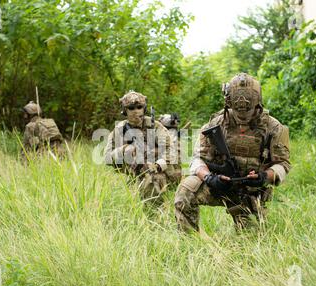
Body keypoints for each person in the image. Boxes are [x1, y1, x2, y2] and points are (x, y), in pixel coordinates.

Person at [174, 73, 291, 232]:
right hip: (219, 184)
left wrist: (265, 176)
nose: (243, 115)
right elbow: (197, 160)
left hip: (250, 192)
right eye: (237, 109)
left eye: (248, 109)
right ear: (229, 102)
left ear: (257, 102)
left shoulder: (273, 127)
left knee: (251, 240)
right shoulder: (216, 123)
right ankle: (187, 241)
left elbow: (283, 165)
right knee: (186, 190)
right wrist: (209, 177)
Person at [104, 91, 181, 205]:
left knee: (154, 180)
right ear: (125, 110)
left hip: (158, 167)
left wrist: (157, 165)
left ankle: (155, 213)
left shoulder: (154, 125)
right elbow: (107, 158)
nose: (136, 111)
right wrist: (124, 150)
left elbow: (170, 149)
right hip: (135, 169)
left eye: (139, 107)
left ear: (144, 109)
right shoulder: (120, 129)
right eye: (131, 108)